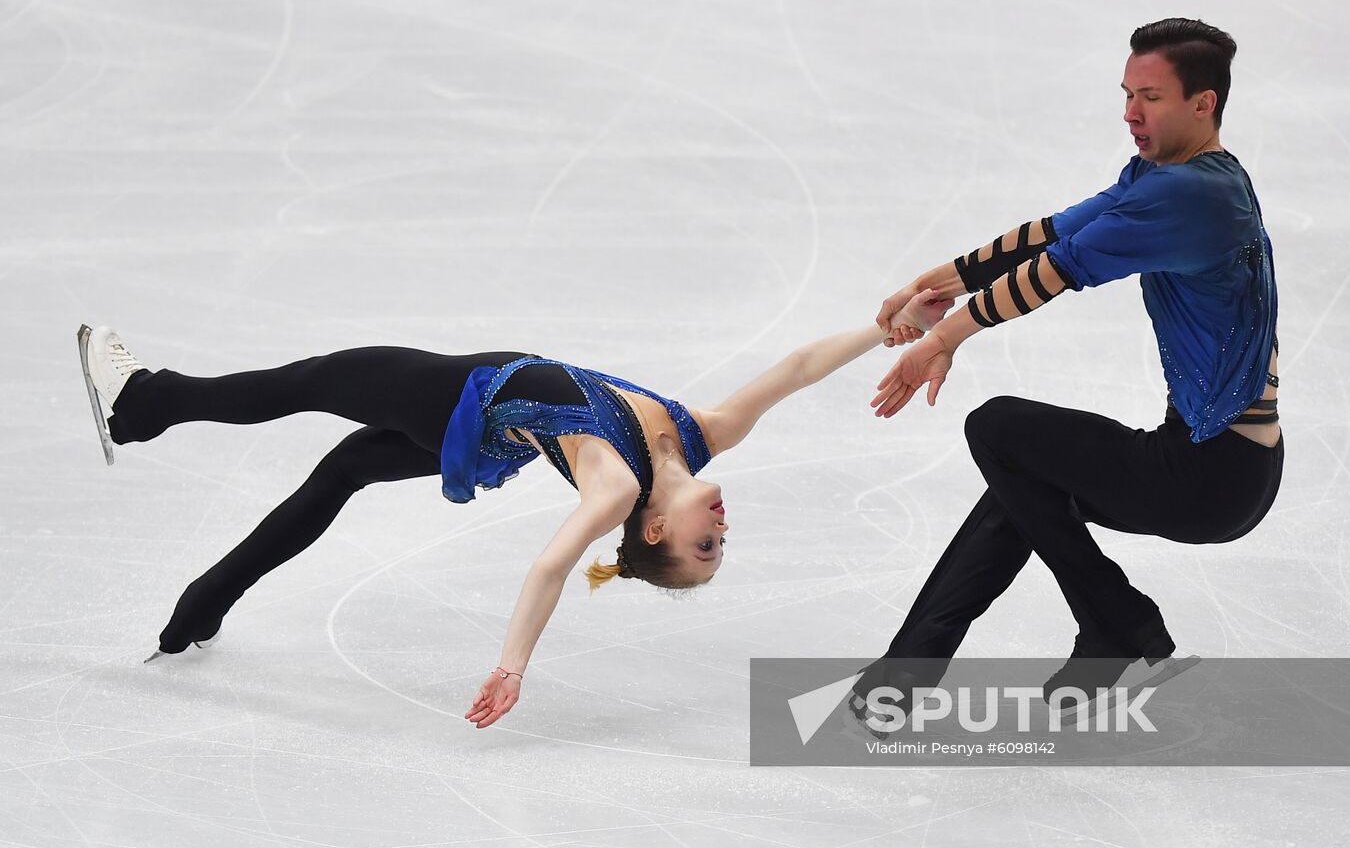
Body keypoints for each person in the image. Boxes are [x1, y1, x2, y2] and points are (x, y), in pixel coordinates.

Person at [77, 290, 947, 728]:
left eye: (704, 545)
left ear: (654, 530)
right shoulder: (703, 435)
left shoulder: (613, 486)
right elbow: (798, 366)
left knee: (311, 381)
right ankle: (197, 610)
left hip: (453, 394)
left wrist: (513, 666)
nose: (723, 528)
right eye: (723, 540)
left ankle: (143, 402)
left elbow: (549, 564)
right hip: (484, 426)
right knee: (335, 477)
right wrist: (893, 326)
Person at [853, 18, 1284, 711]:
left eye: (1151, 96)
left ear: (1203, 103)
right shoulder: (1174, 177)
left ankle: (1119, 619)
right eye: (1126, 93)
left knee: (998, 428)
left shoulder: (1192, 196)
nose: (1130, 112)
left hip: (1212, 472)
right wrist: (933, 285)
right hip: (1222, 464)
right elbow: (1056, 230)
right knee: (1021, 484)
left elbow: (1059, 269)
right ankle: (904, 677)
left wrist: (945, 337)